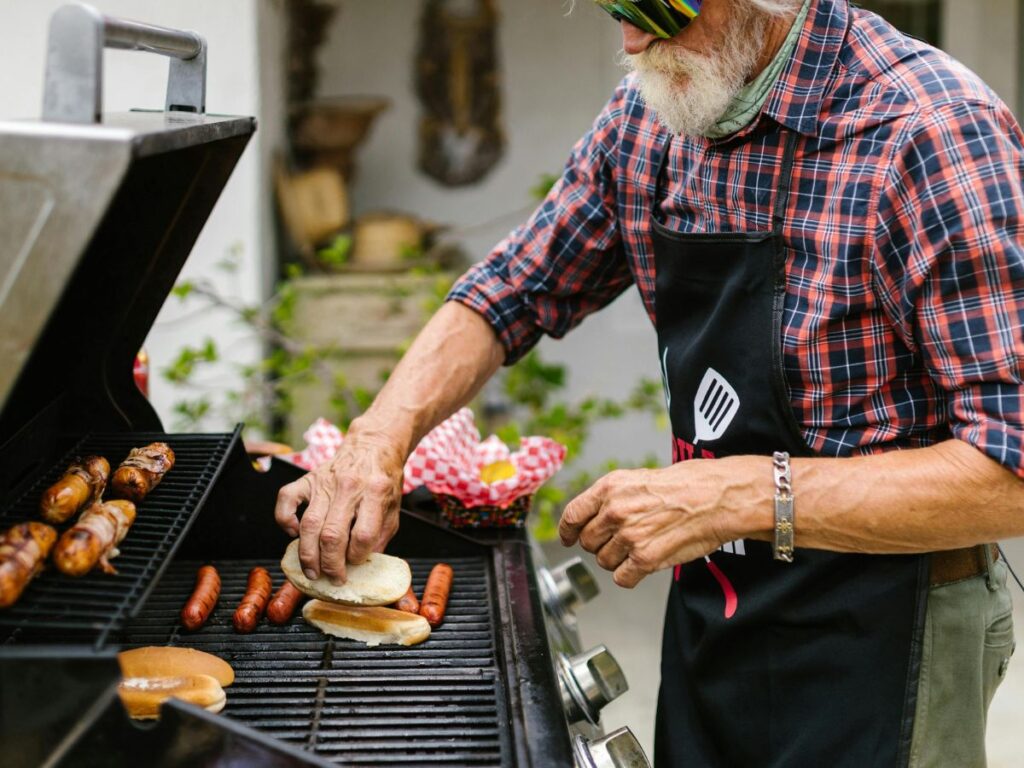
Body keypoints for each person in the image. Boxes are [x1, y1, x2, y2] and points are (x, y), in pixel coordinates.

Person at [276, 0, 1024, 764]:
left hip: (888, 627)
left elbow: (1012, 472)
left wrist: (739, 495)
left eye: (656, 7)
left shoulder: (929, 132)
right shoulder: (654, 111)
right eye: (614, 7)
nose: (631, 40)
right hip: (722, 602)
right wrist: (376, 439)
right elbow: (509, 291)